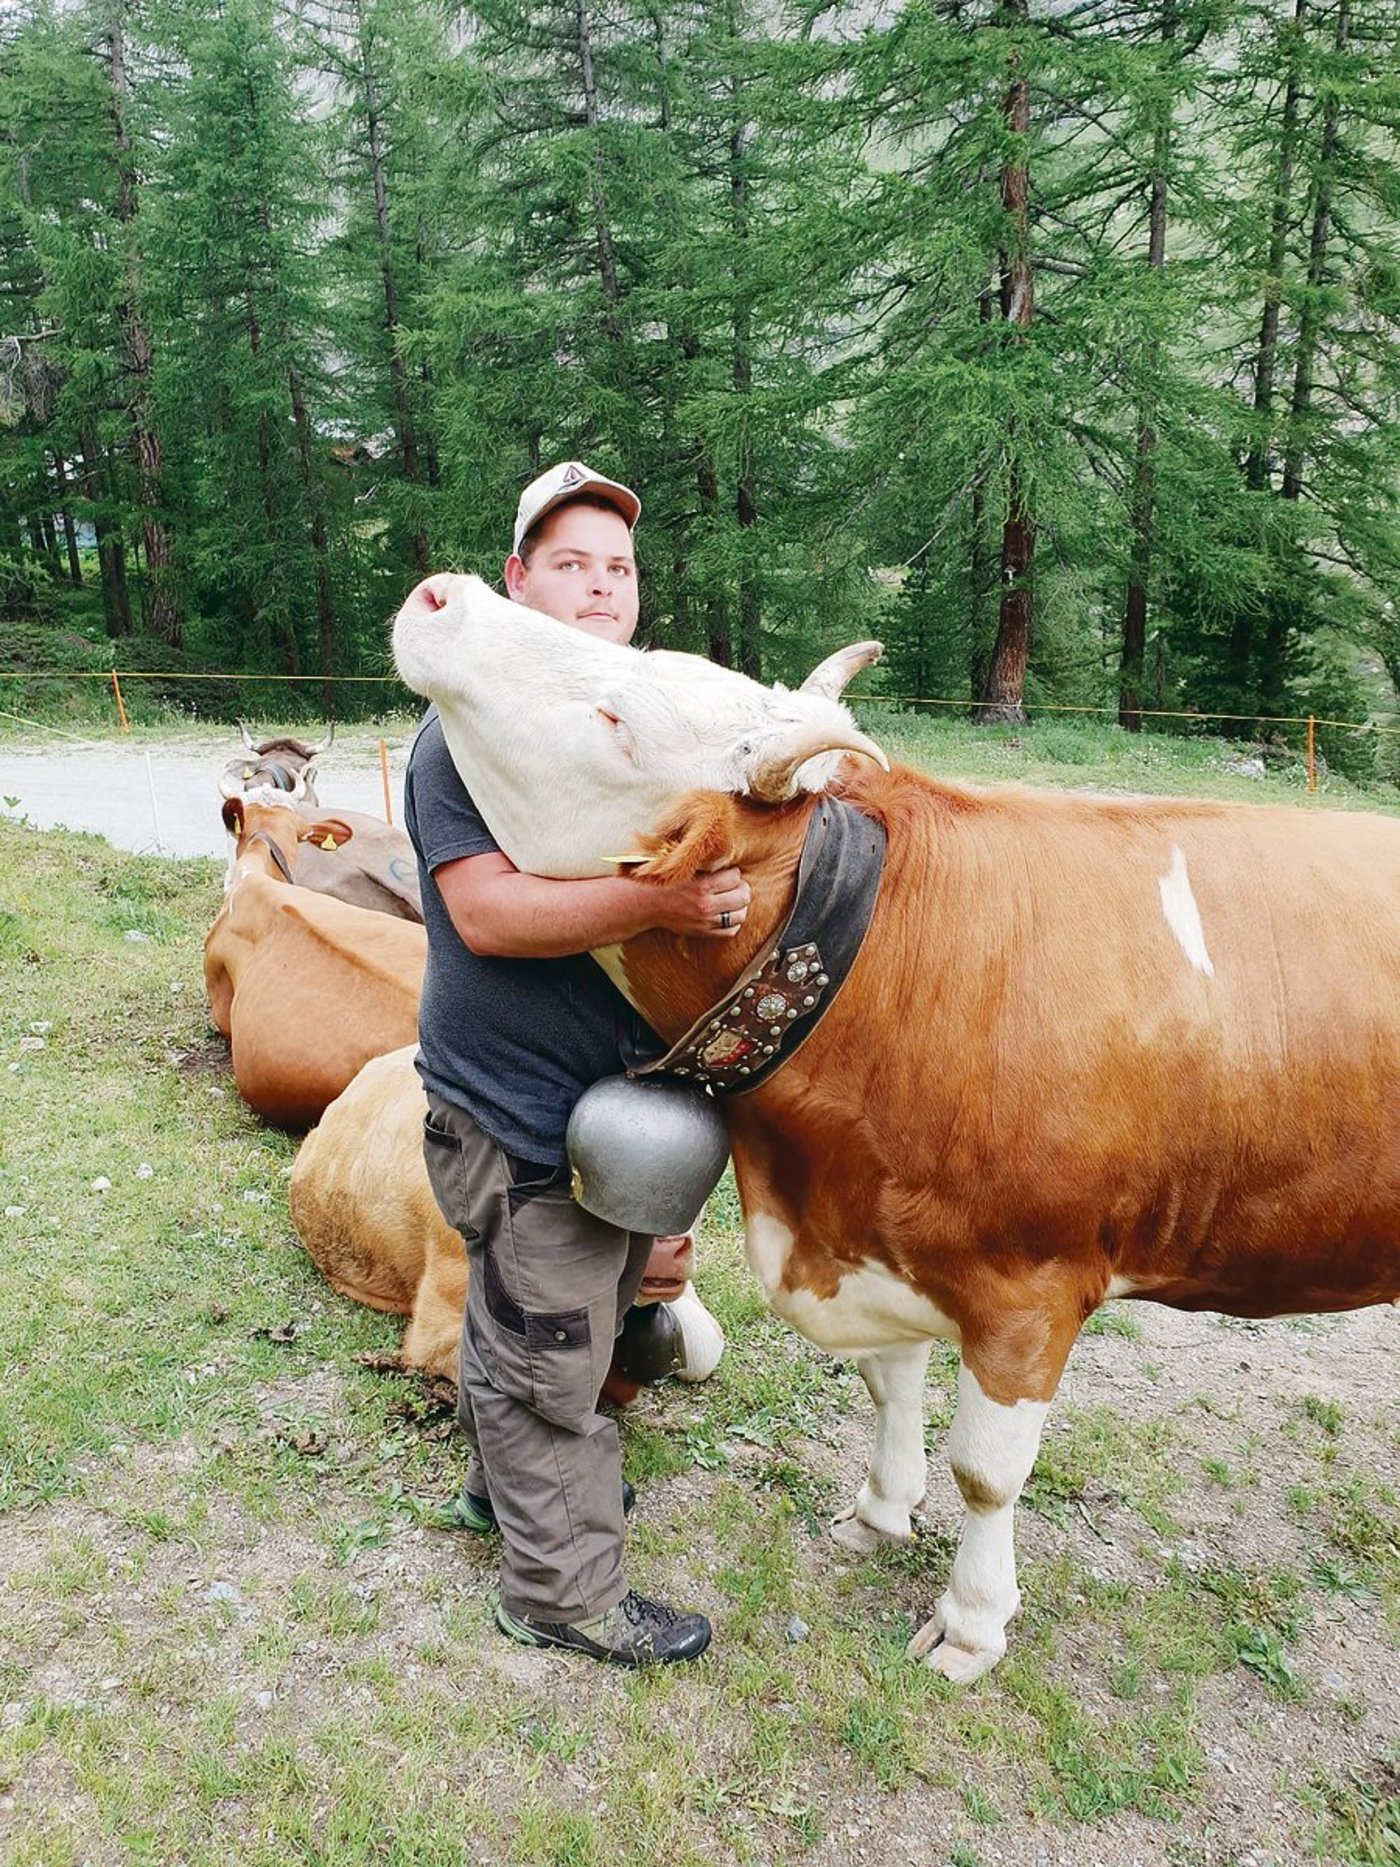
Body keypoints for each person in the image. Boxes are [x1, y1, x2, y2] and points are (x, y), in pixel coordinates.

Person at [404, 461, 751, 1667]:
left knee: (552, 1318)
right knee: (548, 1355)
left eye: (618, 567)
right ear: (516, 581)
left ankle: (505, 1495)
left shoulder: (628, 727)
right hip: (511, 1108)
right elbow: (488, 914)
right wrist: (659, 904)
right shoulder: (462, 737)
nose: (601, 587)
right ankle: (559, 1593)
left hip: (598, 1111)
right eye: (570, 564)